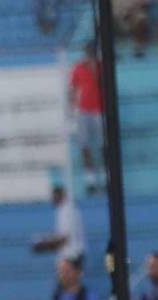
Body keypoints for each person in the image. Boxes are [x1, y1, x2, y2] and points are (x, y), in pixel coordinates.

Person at [69, 42, 105, 195]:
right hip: (83, 110)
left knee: (104, 144)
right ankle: (89, 179)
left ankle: (105, 176)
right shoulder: (78, 67)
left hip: (99, 109)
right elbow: (72, 88)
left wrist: (94, 68)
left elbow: (102, 83)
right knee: (84, 145)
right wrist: (72, 109)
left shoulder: (101, 66)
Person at [32, 185, 86, 269]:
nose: (52, 199)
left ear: (61, 195)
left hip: (71, 257)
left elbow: (64, 238)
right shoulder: (65, 209)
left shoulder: (66, 211)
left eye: (54, 196)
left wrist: (43, 245)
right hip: (71, 256)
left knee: (67, 278)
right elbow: (62, 234)